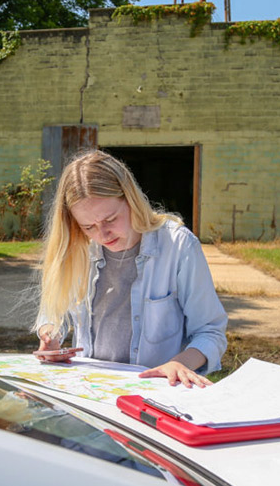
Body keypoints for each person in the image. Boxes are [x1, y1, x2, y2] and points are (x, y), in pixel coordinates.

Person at [33, 150, 228, 388]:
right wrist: (50, 335)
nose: (102, 235)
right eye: (88, 227)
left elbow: (211, 331)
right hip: (90, 389)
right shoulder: (77, 247)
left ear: (130, 198)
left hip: (157, 393)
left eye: (110, 220)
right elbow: (54, 312)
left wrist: (180, 364)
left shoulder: (178, 246)